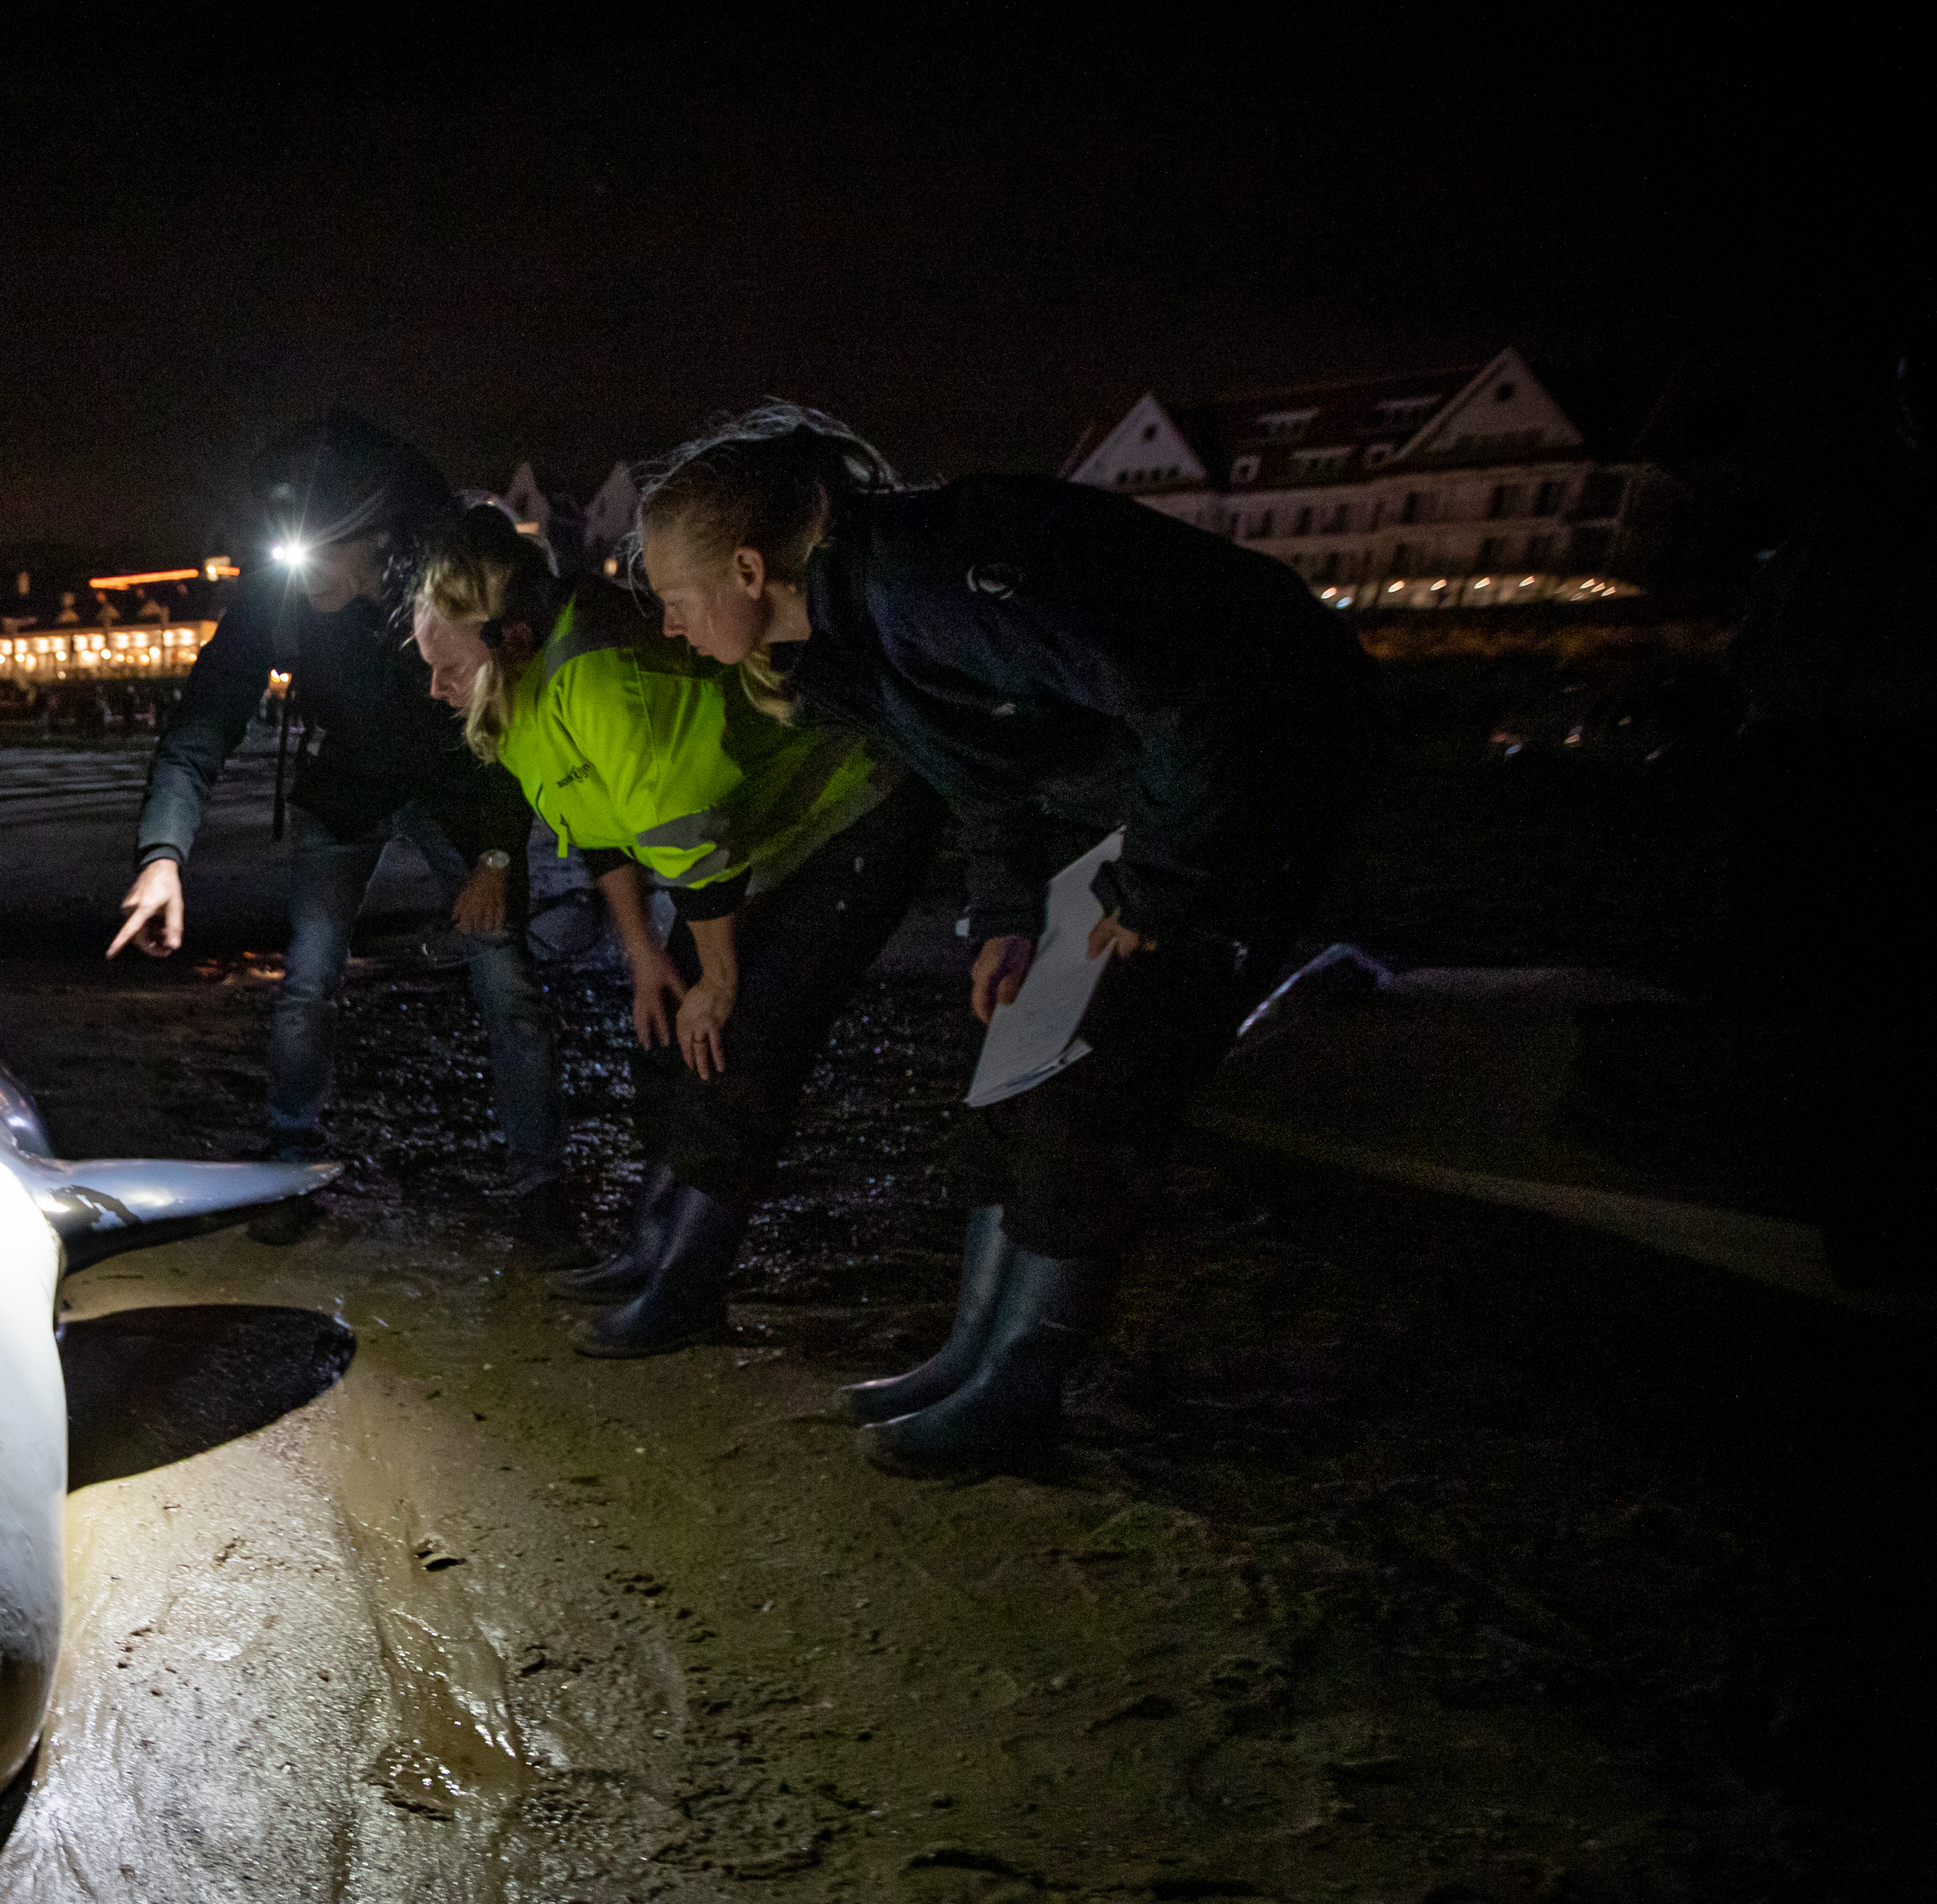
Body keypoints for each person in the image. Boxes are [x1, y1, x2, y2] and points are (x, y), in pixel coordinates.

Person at [634, 404, 1375, 1474]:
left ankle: (1023, 1388)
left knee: (1095, 1079)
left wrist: (1156, 889)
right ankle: (973, 1354)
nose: (668, 626)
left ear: (749, 569)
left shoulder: (924, 581)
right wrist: (1012, 911)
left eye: (672, 599)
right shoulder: (845, 639)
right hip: (1151, 793)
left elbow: (1193, 688)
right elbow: (975, 767)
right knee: (1011, 1059)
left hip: (1270, 764)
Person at [409, 503, 939, 1356]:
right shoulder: (517, 699)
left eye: (444, 666)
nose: (432, 686)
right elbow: (609, 830)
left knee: (738, 1043)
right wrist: (647, 958)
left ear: (504, 637)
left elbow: (688, 834)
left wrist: (717, 982)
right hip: (744, 849)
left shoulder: (600, 676)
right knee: (666, 1038)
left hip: (845, 816)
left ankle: (687, 1284)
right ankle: (650, 1248)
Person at [107, 413, 581, 1259]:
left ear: (378, 538)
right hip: (348, 788)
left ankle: (541, 1188)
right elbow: (204, 719)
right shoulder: (281, 592)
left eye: (324, 550)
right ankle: (291, 1163)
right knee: (307, 981)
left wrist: (499, 856)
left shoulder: (450, 578)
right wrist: (162, 856)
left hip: (465, 794)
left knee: (507, 983)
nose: (302, 571)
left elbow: (514, 713)